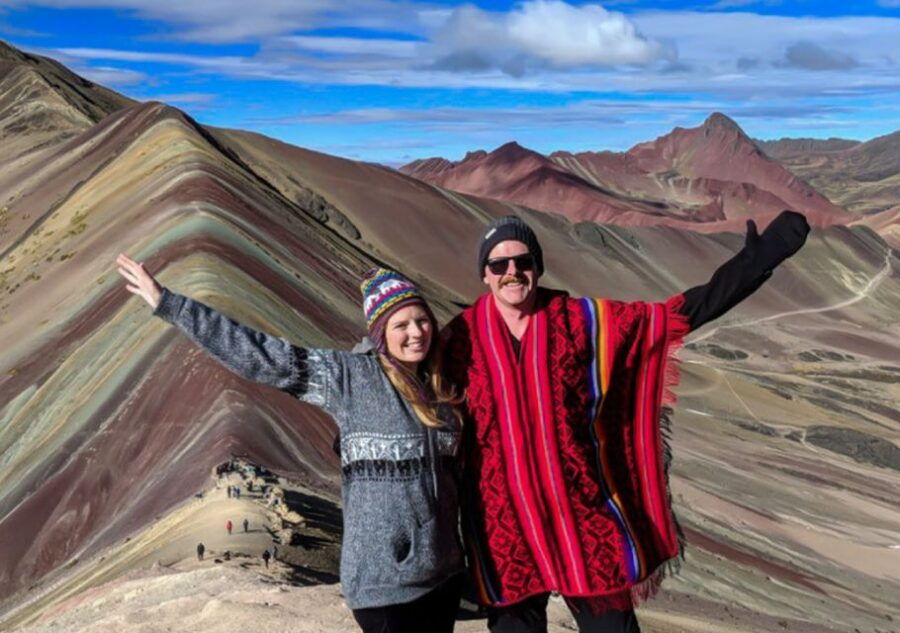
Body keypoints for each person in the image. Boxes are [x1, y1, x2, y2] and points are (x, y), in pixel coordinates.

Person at [443, 211, 810, 632]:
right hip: (505, 531)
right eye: (499, 264)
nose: (512, 272)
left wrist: (756, 261)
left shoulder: (579, 321)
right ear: (484, 275)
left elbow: (672, 317)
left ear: (538, 268)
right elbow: (408, 375)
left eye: (523, 261)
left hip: (583, 520)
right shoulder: (459, 340)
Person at [115, 256, 466, 633]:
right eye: (401, 324)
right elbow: (261, 356)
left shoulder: (443, 390)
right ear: (381, 333)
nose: (416, 332)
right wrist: (171, 305)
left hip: (442, 578)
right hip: (384, 582)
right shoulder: (350, 379)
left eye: (422, 319)